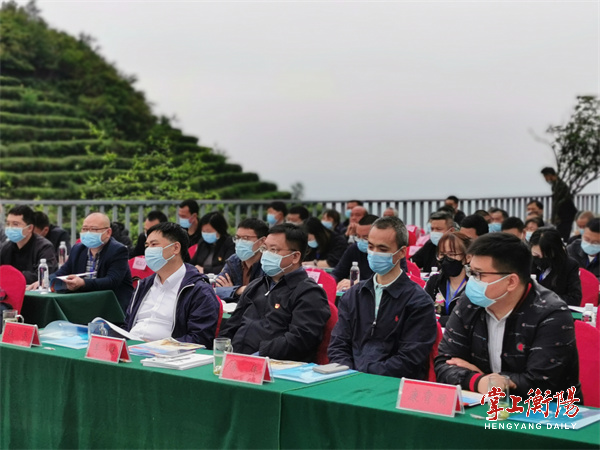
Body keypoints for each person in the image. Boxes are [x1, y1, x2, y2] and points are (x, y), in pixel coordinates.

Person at [434, 233, 581, 398]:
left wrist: (488, 380)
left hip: (546, 410)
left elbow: (540, 383)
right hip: (483, 404)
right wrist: (479, 381)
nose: (472, 281)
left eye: (479, 275)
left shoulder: (551, 314)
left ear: (511, 282)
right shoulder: (469, 303)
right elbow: (444, 363)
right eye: (471, 272)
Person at [328, 216, 437, 379]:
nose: (374, 253)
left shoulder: (418, 302)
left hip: (392, 384)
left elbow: (409, 359)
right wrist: (348, 373)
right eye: (371, 246)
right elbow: (338, 345)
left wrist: (364, 374)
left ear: (401, 252)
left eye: (383, 249)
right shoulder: (353, 295)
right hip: (349, 379)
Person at [219, 224, 330, 361]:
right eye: (265, 249)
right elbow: (231, 326)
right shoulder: (256, 285)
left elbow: (300, 339)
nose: (266, 254)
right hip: (236, 359)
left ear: (295, 257)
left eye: (273, 250)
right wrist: (221, 350)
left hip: (276, 365)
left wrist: (259, 355)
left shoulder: (309, 293)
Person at [124, 222, 221, 346]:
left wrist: (159, 345)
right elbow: (128, 325)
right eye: (147, 245)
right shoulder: (143, 286)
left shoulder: (198, 290)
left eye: (154, 244)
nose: (148, 250)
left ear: (175, 248)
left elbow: (200, 338)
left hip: (167, 353)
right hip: (131, 347)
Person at [47, 212, 133, 311]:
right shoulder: (78, 249)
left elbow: (112, 281)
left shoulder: (118, 250)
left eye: (94, 229)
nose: (88, 233)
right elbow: (63, 272)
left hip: (111, 306)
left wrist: (83, 283)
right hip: (83, 303)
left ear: (108, 232)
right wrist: (47, 280)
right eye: (85, 229)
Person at [214, 218, 268, 303]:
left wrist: (232, 291)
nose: (240, 242)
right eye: (238, 238)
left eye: (246, 238)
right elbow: (216, 290)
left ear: (262, 241)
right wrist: (238, 290)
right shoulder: (233, 260)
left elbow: (262, 295)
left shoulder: (268, 264)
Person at [1, 205, 57, 284]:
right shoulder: (6, 247)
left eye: (15, 224)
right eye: (8, 224)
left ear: (30, 228)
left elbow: (44, 276)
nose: (10, 228)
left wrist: (14, 276)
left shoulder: (44, 247)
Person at [424, 231, 471, 326]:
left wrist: (440, 319)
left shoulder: (474, 286)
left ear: (466, 257)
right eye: (442, 254)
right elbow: (424, 312)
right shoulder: (435, 281)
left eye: (452, 254)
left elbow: (468, 319)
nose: (446, 259)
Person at [530, 228, 581, 306]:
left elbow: (574, 299)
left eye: (546, 255)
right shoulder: (528, 261)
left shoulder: (569, 266)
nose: (540, 259)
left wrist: (545, 299)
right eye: (536, 255)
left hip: (555, 309)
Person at [332, 215, 379, 290]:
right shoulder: (354, 248)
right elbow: (337, 273)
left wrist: (359, 284)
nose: (361, 241)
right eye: (358, 236)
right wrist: (331, 282)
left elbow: (385, 282)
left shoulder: (385, 255)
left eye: (365, 237)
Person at [541, 167, 578, 241]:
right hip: (565, 214)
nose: (545, 179)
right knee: (562, 233)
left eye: (545, 176)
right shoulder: (557, 185)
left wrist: (556, 216)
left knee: (563, 235)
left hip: (565, 215)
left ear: (549, 175)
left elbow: (561, 202)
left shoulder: (560, 186)